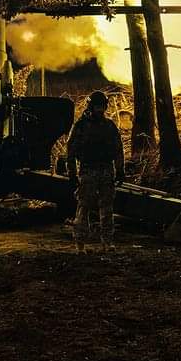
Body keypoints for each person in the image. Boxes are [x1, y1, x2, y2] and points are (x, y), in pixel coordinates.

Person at [66, 91, 125, 253]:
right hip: (88, 170)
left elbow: (118, 149)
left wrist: (120, 170)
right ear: (91, 107)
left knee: (107, 208)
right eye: (97, 106)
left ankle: (107, 242)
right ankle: (80, 243)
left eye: (102, 106)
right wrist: (72, 173)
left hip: (106, 169)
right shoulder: (80, 126)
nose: (100, 110)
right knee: (84, 207)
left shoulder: (109, 126)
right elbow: (70, 152)